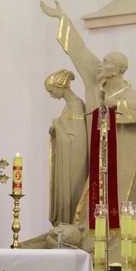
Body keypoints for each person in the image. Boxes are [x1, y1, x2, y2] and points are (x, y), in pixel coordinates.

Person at [41, 0, 136, 259]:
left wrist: (119, 111)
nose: (101, 65)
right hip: (94, 160)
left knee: (121, 205)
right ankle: (88, 246)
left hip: (124, 161)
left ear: (118, 69)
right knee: (87, 206)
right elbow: (80, 51)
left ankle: (114, 254)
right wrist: (62, 19)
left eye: (106, 62)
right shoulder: (94, 84)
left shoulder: (130, 95)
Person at [46, 69, 87, 227]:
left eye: (51, 90)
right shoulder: (70, 106)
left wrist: (57, 126)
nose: (51, 95)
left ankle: (69, 229)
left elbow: (77, 140)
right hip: (68, 162)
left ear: (60, 85)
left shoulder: (76, 105)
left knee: (71, 198)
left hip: (74, 165)